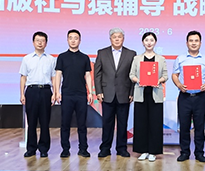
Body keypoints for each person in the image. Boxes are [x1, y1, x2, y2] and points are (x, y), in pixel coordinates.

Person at [171, 31, 205, 162]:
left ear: (200, 43)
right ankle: (184, 152)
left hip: (200, 97)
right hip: (184, 97)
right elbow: (174, 75)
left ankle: (199, 153)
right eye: (191, 41)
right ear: (187, 43)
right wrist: (179, 85)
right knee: (184, 126)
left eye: (196, 41)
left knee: (199, 127)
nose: (194, 43)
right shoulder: (180, 58)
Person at [94, 28, 136, 158]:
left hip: (124, 93)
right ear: (110, 39)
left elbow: (133, 75)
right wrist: (99, 91)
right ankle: (105, 148)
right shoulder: (102, 53)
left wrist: (132, 92)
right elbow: (97, 74)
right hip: (107, 93)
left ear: (123, 39)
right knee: (107, 123)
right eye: (114, 37)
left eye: (119, 37)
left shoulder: (131, 54)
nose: (117, 39)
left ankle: (122, 148)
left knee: (123, 123)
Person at [129, 32, 168, 161]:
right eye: (146, 40)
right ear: (143, 42)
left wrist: (158, 80)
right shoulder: (137, 58)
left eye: (151, 40)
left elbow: (165, 76)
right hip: (141, 94)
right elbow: (131, 75)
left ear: (155, 42)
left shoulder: (161, 59)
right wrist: (139, 80)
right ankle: (143, 150)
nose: (149, 42)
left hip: (155, 94)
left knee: (155, 123)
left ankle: (153, 151)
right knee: (141, 123)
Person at [54, 29, 94, 158]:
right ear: (67, 40)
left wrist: (90, 92)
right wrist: (57, 91)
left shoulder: (84, 57)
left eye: (75, 38)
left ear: (80, 40)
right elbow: (58, 75)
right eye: (70, 38)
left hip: (81, 94)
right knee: (65, 123)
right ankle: (65, 149)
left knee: (82, 124)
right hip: (67, 94)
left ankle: (83, 149)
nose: (73, 40)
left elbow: (88, 75)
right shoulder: (62, 57)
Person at [19, 31, 57, 158]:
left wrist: (55, 93)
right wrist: (22, 94)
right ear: (33, 42)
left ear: (46, 43)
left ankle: (44, 149)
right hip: (31, 91)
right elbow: (23, 77)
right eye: (37, 40)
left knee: (45, 122)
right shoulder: (27, 59)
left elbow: (54, 77)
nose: (40, 43)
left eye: (42, 41)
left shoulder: (51, 59)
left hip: (46, 91)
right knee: (32, 122)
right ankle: (31, 148)